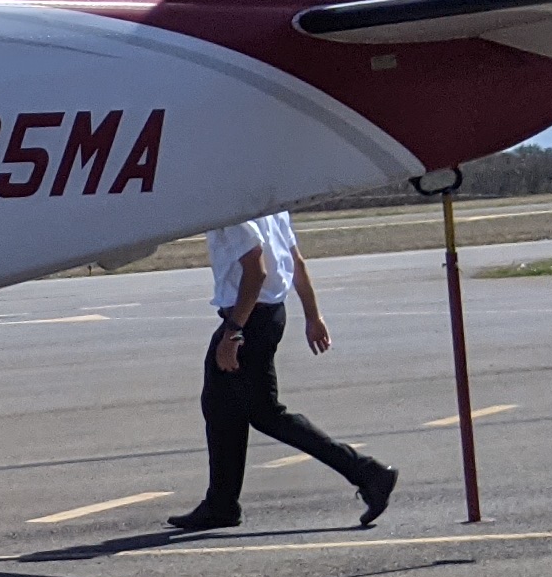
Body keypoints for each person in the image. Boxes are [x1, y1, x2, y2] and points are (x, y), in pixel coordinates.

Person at [169, 210, 396, 532]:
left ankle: (367, 472)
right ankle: (221, 503)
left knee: (260, 413)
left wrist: (233, 332)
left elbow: (255, 271)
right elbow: (296, 262)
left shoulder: (232, 209)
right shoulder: (271, 206)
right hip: (267, 315)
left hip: (249, 318)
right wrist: (312, 316)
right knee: (228, 410)